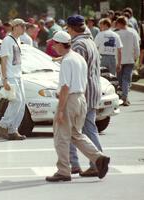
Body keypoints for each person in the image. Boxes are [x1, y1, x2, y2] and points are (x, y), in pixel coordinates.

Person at [45, 31, 110, 182]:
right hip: (81, 99)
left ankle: (63, 171)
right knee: (75, 134)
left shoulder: (67, 61)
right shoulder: (78, 58)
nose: (53, 46)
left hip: (70, 99)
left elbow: (66, 87)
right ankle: (98, 158)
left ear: (61, 44)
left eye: (54, 43)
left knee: (61, 136)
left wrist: (60, 110)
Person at [66, 15, 104, 177]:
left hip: (84, 92)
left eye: (67, 28)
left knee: (82, 130)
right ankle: (77, 163)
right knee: (79, 130)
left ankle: (98, 162)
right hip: (93, 89)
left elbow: (77, 69)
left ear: (71, 28)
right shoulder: (89, 41)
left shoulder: (79, 44)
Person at [0, 18, 27, 140]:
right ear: (15, 27)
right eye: (22, 26)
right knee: (17, 101)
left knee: (21, 103)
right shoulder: (7, 41)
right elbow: (3, 60)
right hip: (11, 76)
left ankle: (13, 129)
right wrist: (4, 79)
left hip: (18, 75)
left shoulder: (18, 40)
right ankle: (2, 125)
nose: (24, 28)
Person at [115, 16, 140, 106]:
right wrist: (136, 57)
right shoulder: (133, 32)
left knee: (120, 79)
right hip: (130, 59)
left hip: (119, 60)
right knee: (126, 79)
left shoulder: (116, 33)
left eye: (117, 23)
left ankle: (122, 96)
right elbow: (137, 46)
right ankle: (125, 97)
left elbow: (115, 48)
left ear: (120, 23)